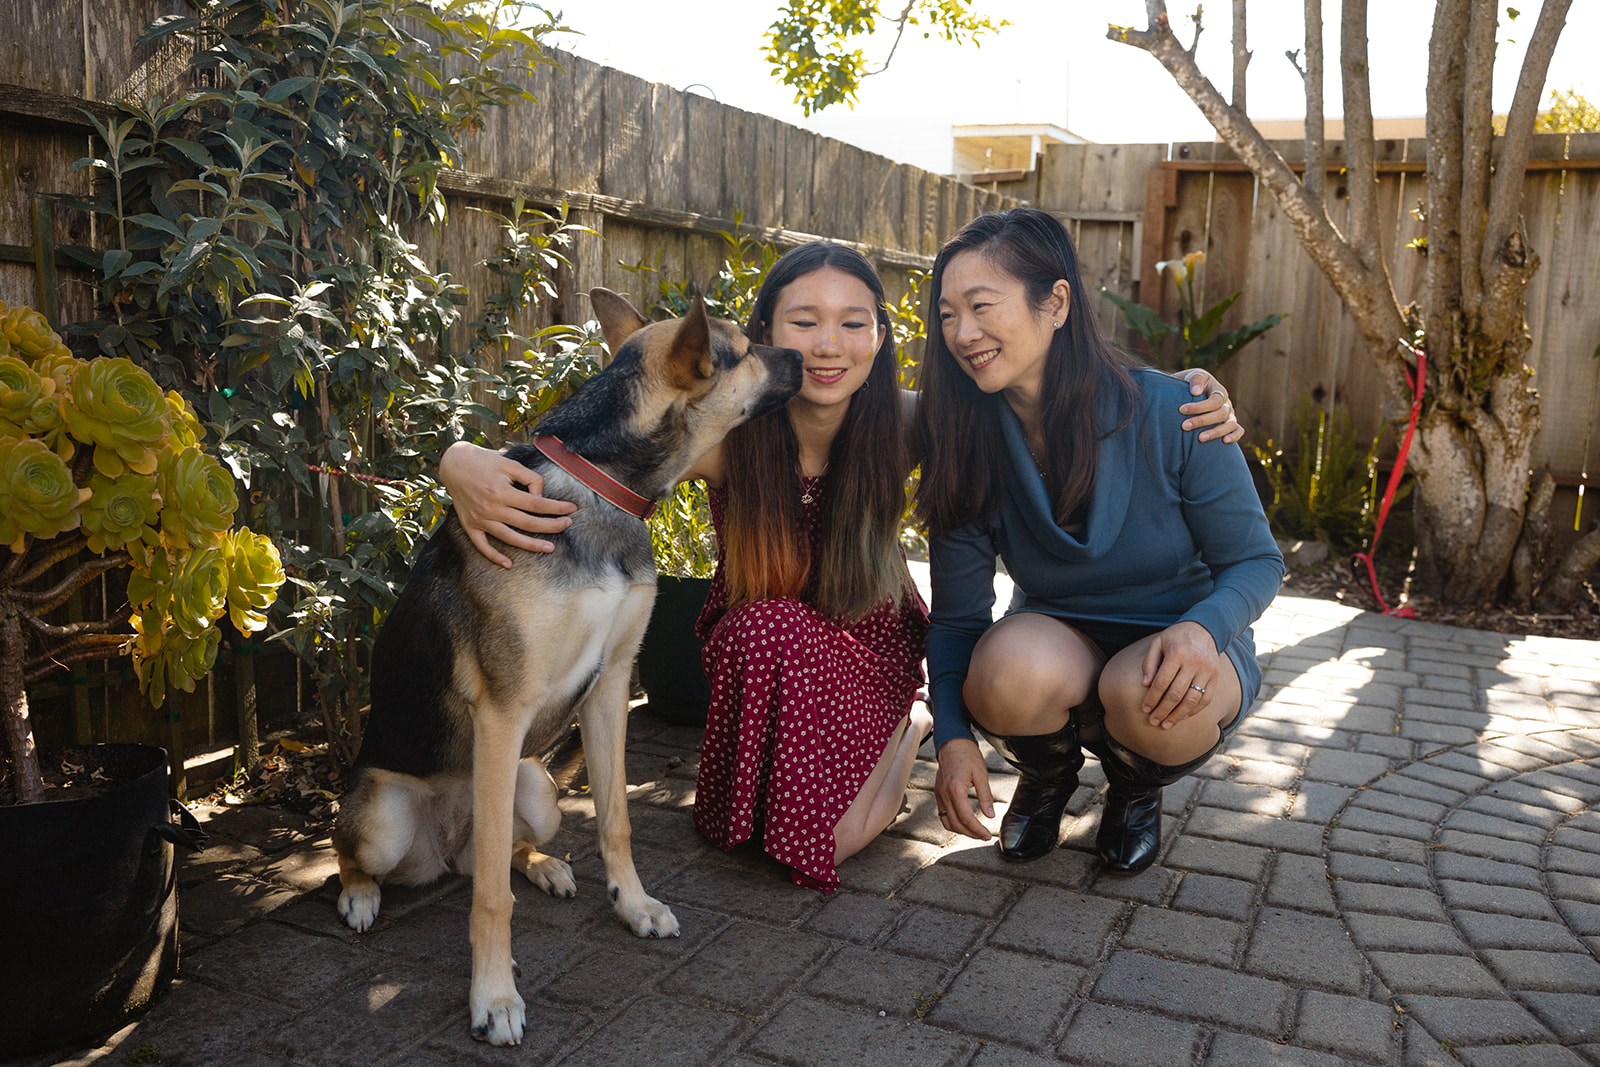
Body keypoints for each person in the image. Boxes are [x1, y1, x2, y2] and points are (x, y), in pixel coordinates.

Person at [439, 240, 1245, 892]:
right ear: (763, 336)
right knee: (745, 778)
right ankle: (910, 734)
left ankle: (912, 723)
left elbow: (1039, 402)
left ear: (882, 336)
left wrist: (1188, 392)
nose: (829, 345)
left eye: (854, 323)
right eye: (804, 322)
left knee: (823, 841)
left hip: (869, 645)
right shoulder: (722, 439)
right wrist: (460, 458)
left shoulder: (913, 425)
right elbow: (585, 452)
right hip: (763, 650)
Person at [914, 207, 1283, 873]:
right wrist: (953, 735)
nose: (962, 333)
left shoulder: (1177, 411)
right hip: (1059, 641)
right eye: (946, 315)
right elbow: (958, 618)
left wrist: (1205, 630)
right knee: (998, 668)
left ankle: (1135, 788)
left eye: (981, 306)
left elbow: (1255, 560)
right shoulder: (965, 442)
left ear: (1055, 302)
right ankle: (1049, 778)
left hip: (1183, 644)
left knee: (1140, 688)